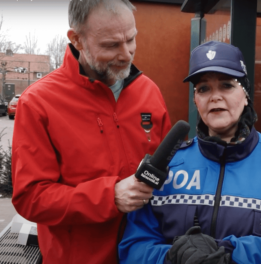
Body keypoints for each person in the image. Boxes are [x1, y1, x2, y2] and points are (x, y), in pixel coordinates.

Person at [119, 41, 261, 264]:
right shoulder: (166, 167)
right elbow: (133, 248)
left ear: (246, 95)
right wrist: (172, 257)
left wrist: (231, 254)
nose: (215, 96)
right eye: (203, 89)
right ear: (196, 101)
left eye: (227, 85)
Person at [11, 0, 171, 263]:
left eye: (131, 39)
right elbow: (31, 197)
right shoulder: (39, 102)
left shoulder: (149, 91)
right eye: (111, 45)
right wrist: (110, 197)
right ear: (77, 40)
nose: (127, 53)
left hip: (146, 255)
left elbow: (171, 170)